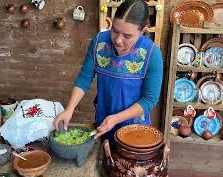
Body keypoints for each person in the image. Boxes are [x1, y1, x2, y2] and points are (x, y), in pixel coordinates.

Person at [54, 0, 163, 142]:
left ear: (142, 31)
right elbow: (84, 79)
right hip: (104, 122)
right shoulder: (99, 42)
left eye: (127, 36)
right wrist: (69, 109)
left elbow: (149, 100)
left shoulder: (151, 53)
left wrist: (117, 119)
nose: (117, 40)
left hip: (134, 129)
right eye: (115, 31)